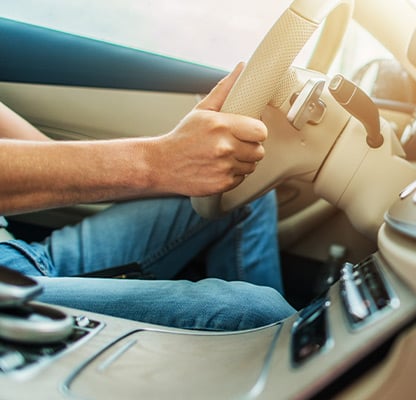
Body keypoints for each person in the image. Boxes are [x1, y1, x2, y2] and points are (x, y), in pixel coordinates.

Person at [0, 63, 296, 331]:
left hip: (21, 257)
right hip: (10, 290)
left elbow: (43, 160)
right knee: (254, 312)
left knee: (240, 192)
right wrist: (159, 162)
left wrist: (191, 168)